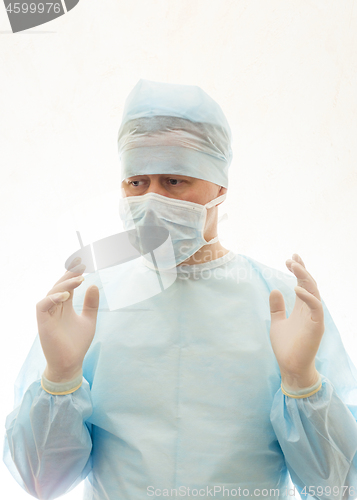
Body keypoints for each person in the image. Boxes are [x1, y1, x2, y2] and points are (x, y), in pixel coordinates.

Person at [3, 79, 357, 500]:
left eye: (173, 181)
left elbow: (335, 485)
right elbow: (40, 482)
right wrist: (59, 379)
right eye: (137, 183)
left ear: (220, 187)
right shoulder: (89, 303)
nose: (151, 200)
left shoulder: (282, 306)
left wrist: (302, 381)